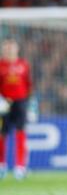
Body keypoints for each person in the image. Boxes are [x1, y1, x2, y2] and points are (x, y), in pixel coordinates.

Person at [0, 39, 33, 180]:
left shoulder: (24, 65)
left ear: (17, 49)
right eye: (6, 48)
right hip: (4, 103)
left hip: (20, 102)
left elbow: (28, 85)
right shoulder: (0, 65)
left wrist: (30, 102)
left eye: (11, 48)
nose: (9, 50)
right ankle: (1, 165)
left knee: (21, 132)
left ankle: (20, 166)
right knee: (2, 134)